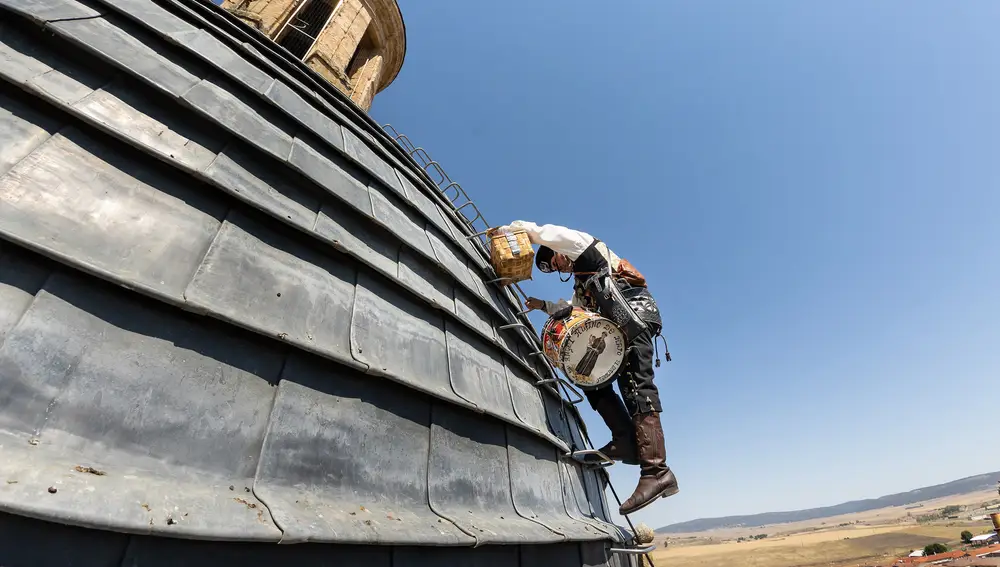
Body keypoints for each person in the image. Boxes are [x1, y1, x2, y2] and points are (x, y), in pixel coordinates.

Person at [495, 220, 678, 515]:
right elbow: (571, 309)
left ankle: (657, 472)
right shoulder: (582, 283)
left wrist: (513, 231)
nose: (559, 268)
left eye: (554, 261)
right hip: (619, 327)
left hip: (636, 316)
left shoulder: (581, 246)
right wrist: (542, 305)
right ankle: (625, 441)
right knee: (590, 379)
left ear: (556, 250)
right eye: (555, 269)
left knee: (637, 388)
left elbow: (542, 232)